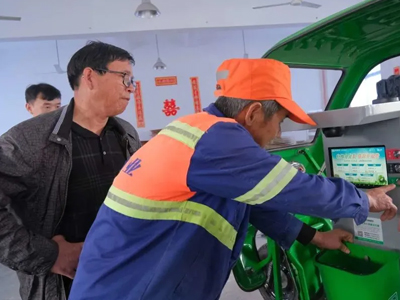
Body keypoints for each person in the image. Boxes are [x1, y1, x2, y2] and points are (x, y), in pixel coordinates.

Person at [69, 58, 397, 300]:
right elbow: (293, 188)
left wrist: (314, 237)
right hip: (132, 290)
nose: (278, 132)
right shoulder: (218, 139)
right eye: (280, 121)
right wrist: (366, 200)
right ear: (253, 113)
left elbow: (251, 201)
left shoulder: (199, 131)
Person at [0, 41, 141, 300]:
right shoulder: (27, 140)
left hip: (125, 274)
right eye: (124, 77)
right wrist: (46, 254)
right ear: (89, 76)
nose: (131, 88)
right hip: (65, 287)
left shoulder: (127, 133)